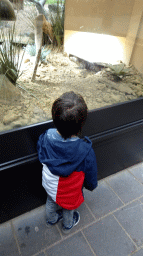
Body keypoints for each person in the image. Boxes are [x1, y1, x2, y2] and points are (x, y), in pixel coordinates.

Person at [37, 91, 98, 234]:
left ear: (55, 117)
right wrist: (91, 185)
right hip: (70, 191)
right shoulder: (85, 150)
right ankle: (67, 225)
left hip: (50, 184)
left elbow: (40, 150)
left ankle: (51, 219)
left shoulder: (46, 136)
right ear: (81, 124)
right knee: (69, 208)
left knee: (51, 201)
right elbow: (91, 172)